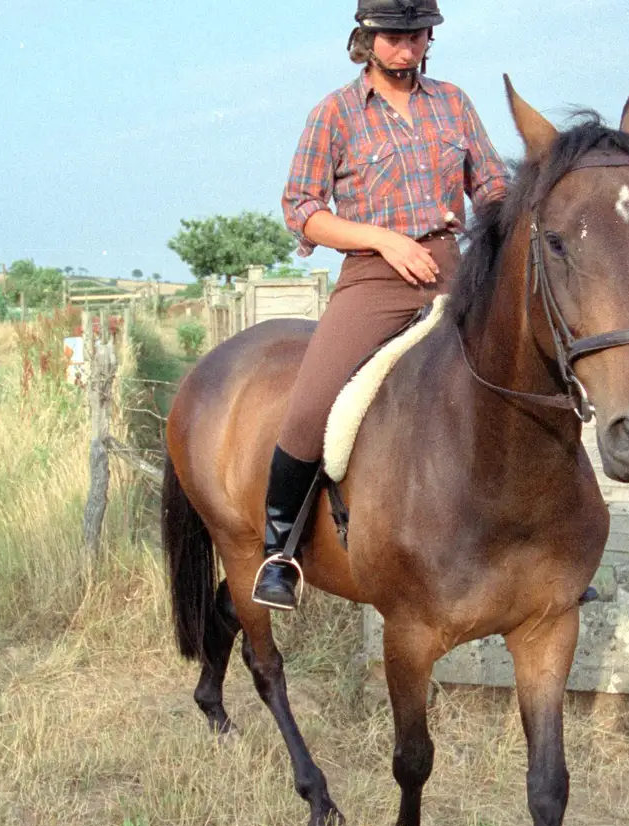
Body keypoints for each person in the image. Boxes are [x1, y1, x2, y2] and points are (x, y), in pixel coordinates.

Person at [253, 0, 510, 610]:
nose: (405, 46)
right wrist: (383, 239)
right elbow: (303, 210)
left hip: (454, 267)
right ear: (366, 38)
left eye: (416, 35)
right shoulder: (335, 114)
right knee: (312, 403)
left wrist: (493, 227)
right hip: (374, 276)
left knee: (525, 371)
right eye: (392, 36)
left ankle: (543, 543)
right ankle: (280, 551)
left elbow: (493, 184)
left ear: (428, 38)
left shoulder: (454, 102)